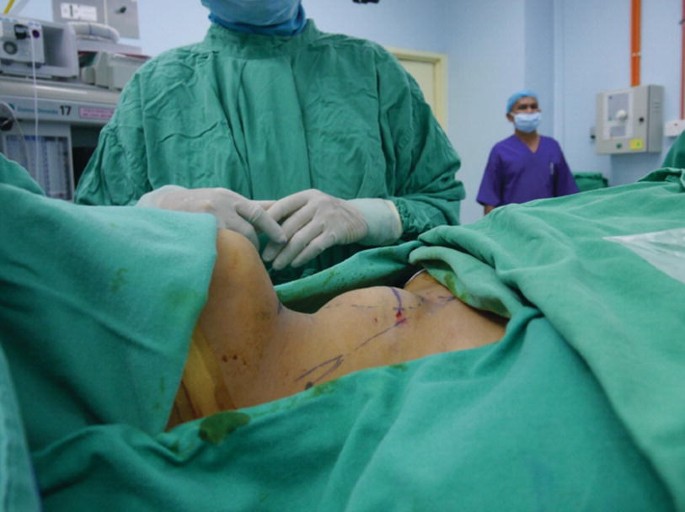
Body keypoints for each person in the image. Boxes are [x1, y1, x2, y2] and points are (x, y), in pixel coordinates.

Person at [3, 153, 683, 510]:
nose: (180, 232)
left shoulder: (441, 263)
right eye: (105, 255)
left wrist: (381, 214)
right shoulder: (495, 467)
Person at [74, 0, 465, 284]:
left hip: (367, 337)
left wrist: (369, 216)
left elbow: (440, 204)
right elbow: (91, 236)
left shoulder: (374, 72)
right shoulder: (156, 87)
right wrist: (157, 210)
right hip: (208, 349)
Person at [476, 89, 579, 215]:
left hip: (548, 221)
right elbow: (490, 199)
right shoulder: (500, 150)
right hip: (513, 222)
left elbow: (567, 193)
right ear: (510, 116)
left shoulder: (552, 146)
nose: (529, 111)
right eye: (523, 107)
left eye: (533, 106)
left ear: (539, 112)